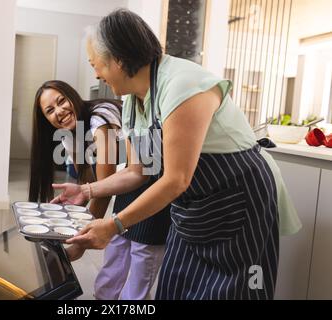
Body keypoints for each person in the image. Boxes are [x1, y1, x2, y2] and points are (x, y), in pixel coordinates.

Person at [51, 9, 302, 300]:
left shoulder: (182, 84)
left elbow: (176, 179)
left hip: (239, 201)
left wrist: (114, 225)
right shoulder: (134, 101)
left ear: (118, 60)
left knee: (237, 289)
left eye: (97, 65)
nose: (96, 73)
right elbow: (138, 171)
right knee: (176, 286)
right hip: (193, 207)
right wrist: (85, 189)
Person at [28, 80, 170, 300]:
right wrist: (70, 218)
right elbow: (87, 179)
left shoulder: (99, 119)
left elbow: (103, 188)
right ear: (45, 120)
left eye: (61, 101)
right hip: (127, 185)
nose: (59, 111)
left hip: (153, 185)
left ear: (72, 95)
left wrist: (81, 242)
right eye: (50, 110)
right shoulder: (69, 135)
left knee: (141, 262)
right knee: (114, 257)